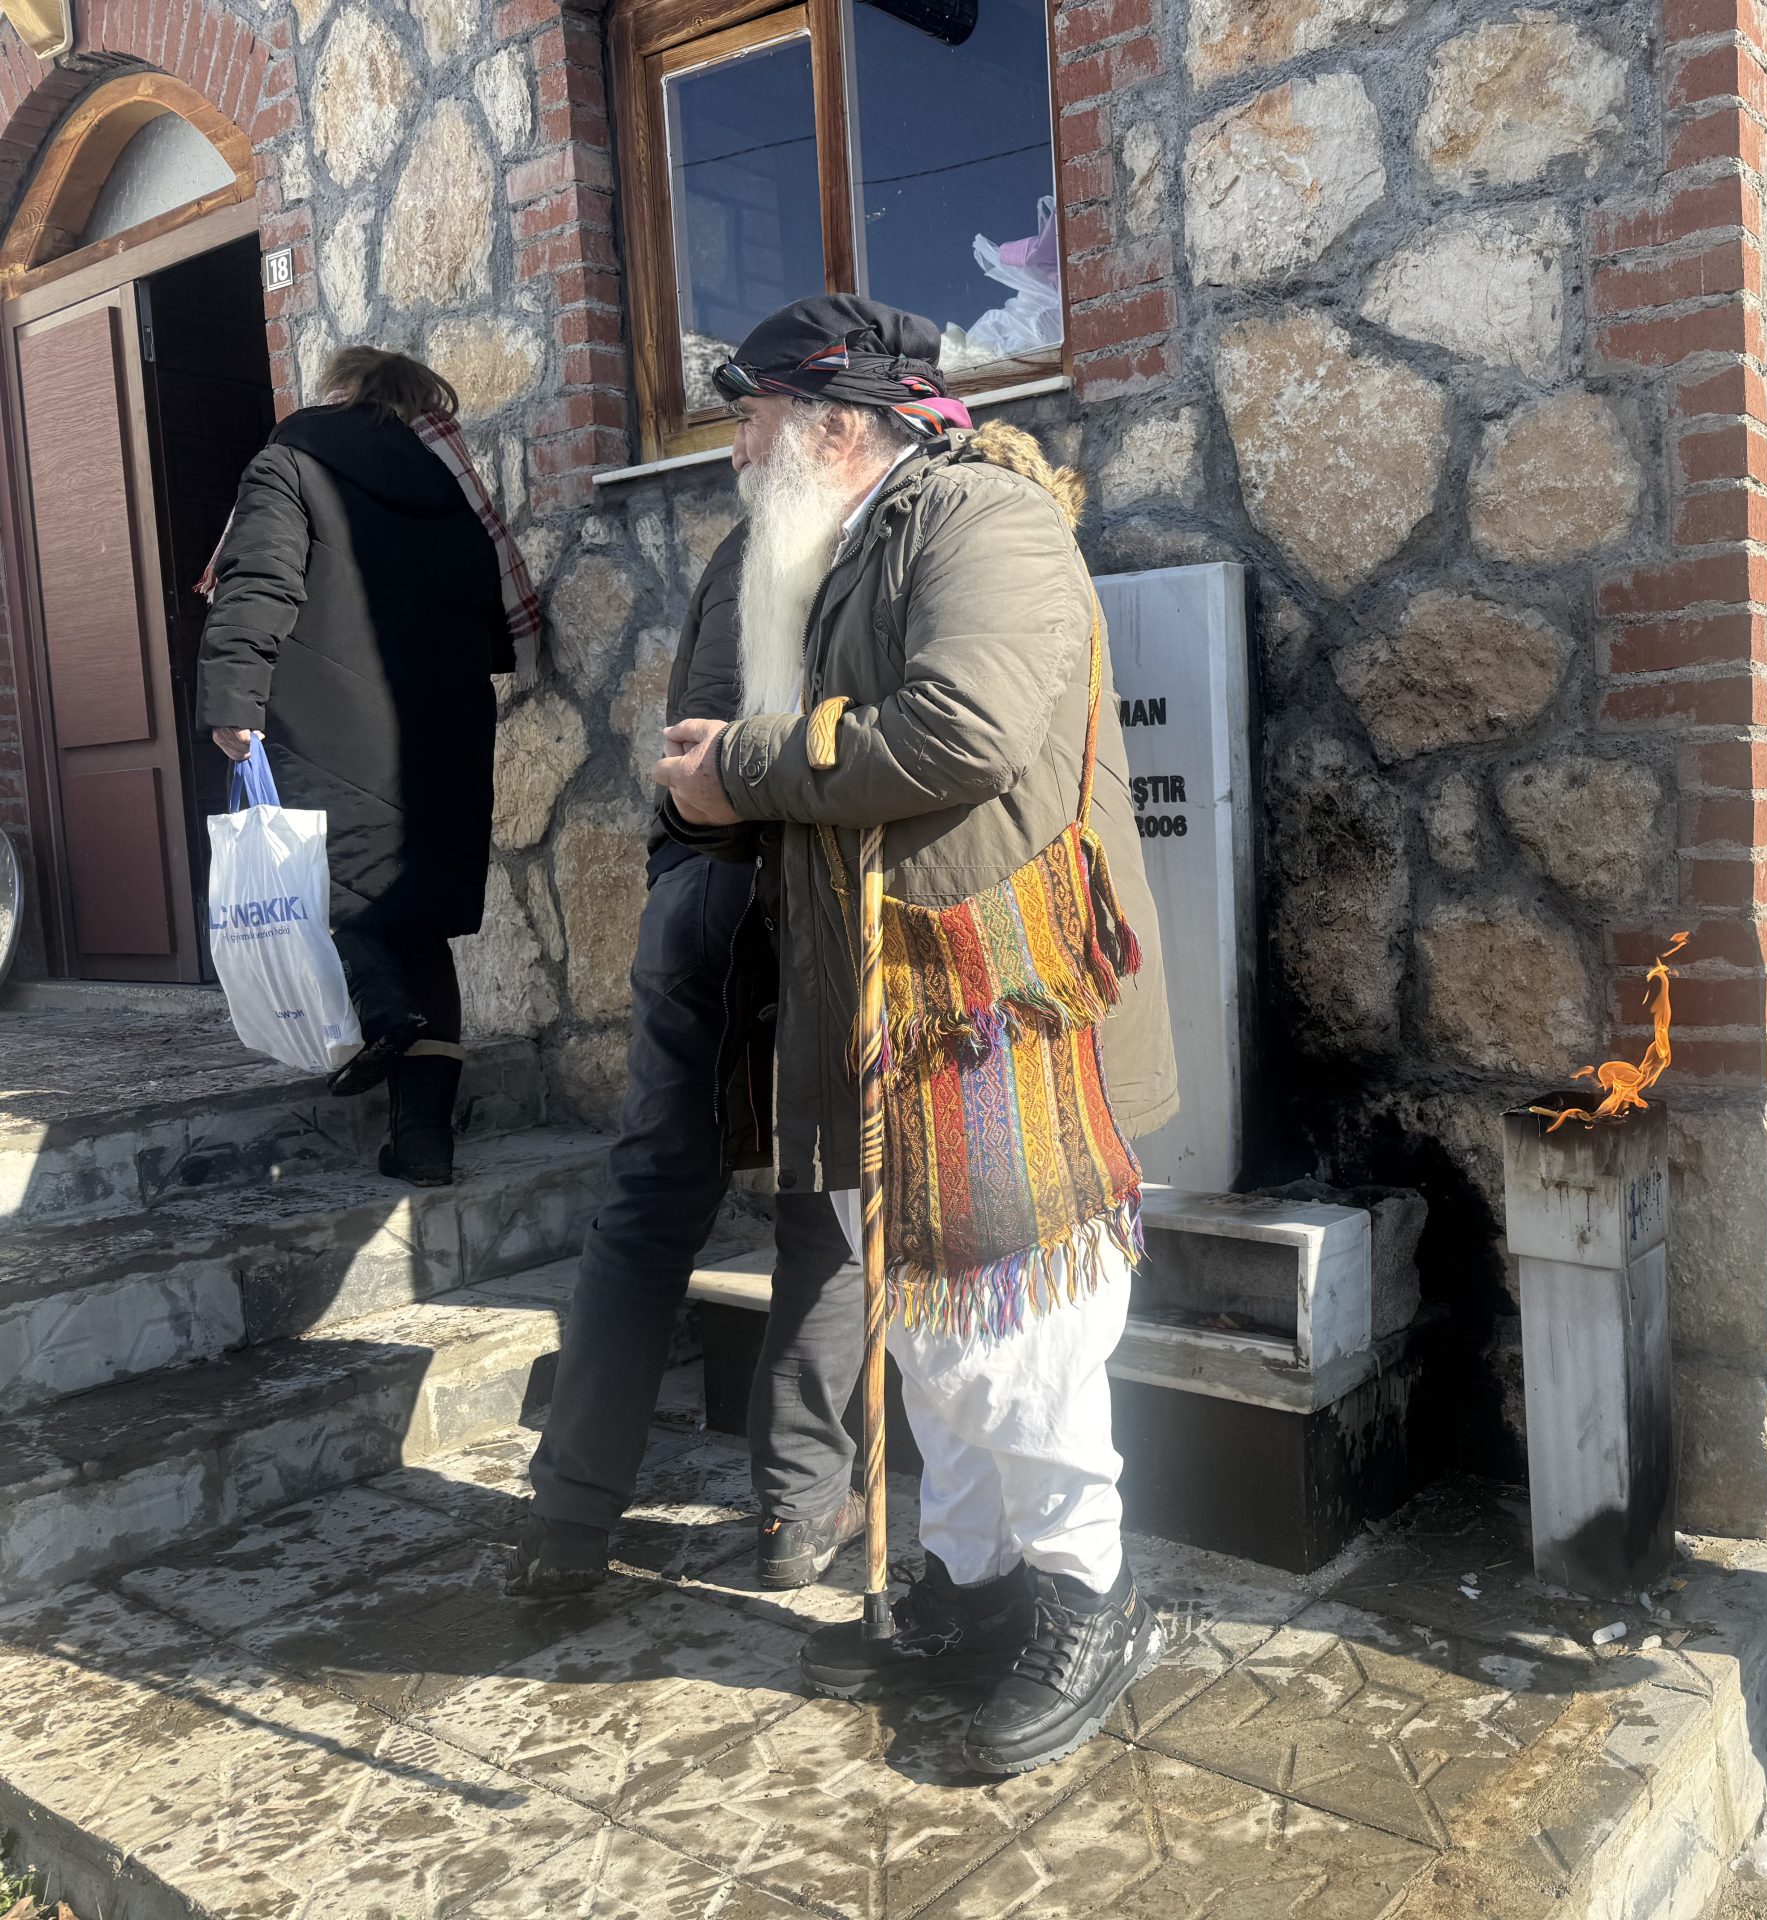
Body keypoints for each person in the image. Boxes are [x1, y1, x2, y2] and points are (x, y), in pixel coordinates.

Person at [651, 295, 1177, 1776]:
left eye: (754, 416)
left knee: (1028, 1335)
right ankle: (977, 1583)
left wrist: (746, 769)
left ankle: (1087, 1598)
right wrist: (720, 789)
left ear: (837, 424)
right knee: (937, 1334)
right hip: (900, 1006)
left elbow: (962, 732)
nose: (736, 447)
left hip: (998, 1007)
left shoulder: (982, 521)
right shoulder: (838, 548)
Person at [504, 511, 868, 1597]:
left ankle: (568, 1521)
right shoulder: (880, 538)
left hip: (698, 887)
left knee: (652, 1197)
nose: (744, 440)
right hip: (810, 894)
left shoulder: (748, 542)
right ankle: (800, 1508)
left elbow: (688, 733)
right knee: (829, 1200)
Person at [198, 347, 536, 1185]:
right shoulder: (454, 489)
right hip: (441, 738)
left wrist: (233, 700)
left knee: (313, 885)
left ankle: (381, 1011)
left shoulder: (290, 462)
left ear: (339, 393)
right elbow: (493, 618)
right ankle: (423, 1142)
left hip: (326, 721)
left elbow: (258, 582)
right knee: (413, 921)